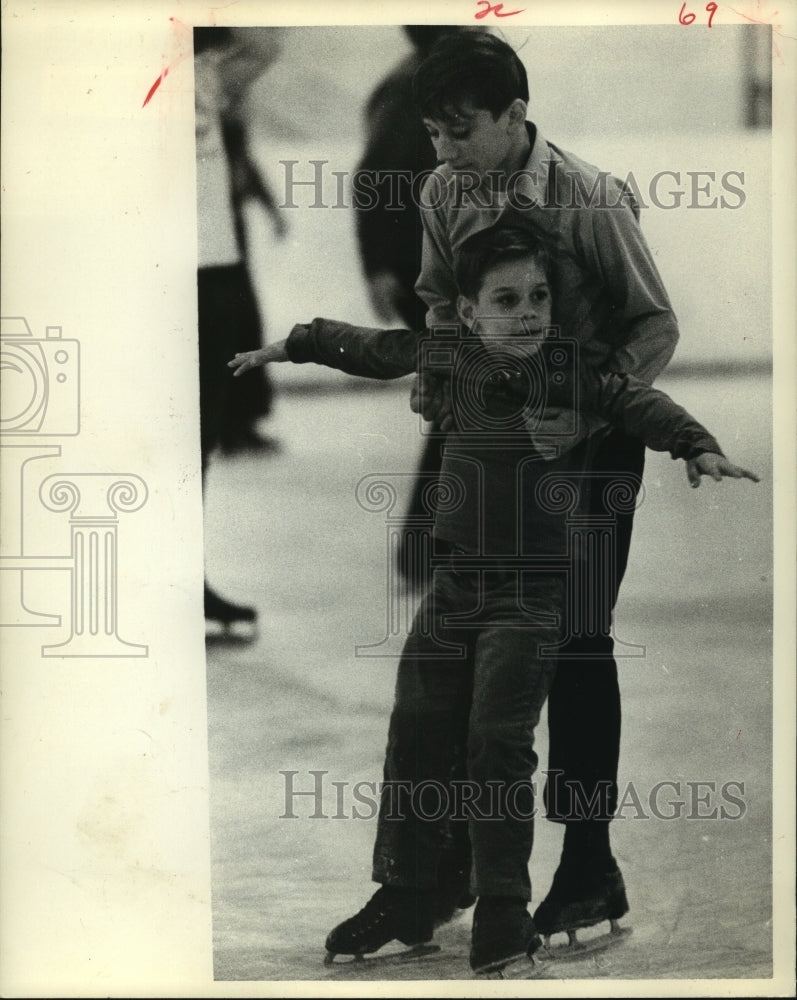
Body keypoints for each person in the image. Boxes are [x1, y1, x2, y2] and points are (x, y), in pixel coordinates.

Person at [228, 226, 758, 975]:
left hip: (531, 592)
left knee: (494, 744)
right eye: (506, 300)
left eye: (538, 298)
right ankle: (410, 891)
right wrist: (286, 346)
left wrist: (695, 443)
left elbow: (635, 401)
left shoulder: (566, 369)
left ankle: (505, 916)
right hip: (454, 587)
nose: (528, 314)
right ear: (468, 314)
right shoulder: (449, 356)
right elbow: (371, 347)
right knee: (415, 728)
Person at [407, 30, 683, 942]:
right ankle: (451, 871)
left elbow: (651, 324)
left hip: (592, 452)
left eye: (459, 131)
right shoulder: (444, 189)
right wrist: (440, 369)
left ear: (515, 117)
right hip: (491, 445)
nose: (443, 152)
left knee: (576, 643)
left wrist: (585, 420)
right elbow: (442, 298)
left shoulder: (592, 200)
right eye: (433, 134)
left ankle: (587, 859)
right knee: (466, 646)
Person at [353, 25, 476, 586]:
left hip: (435, 259)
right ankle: (429, 548)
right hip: (421, 266)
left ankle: (429, 548)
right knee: (466, 392)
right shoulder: (412, 87)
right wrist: (378, 266)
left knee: (464, 393)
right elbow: (373, 177)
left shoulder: (425, 79)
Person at [194, 26, 282, 635]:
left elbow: (266, 40)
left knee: (198, 440)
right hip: (162, 268)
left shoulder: (207, 72)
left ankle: (184, 578)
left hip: (214, 269)